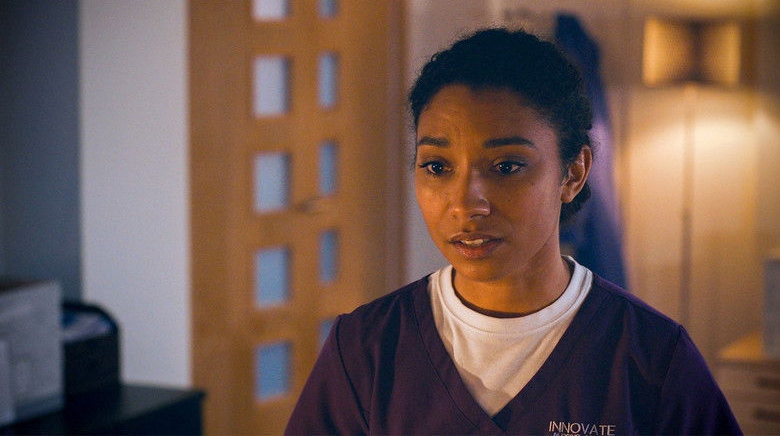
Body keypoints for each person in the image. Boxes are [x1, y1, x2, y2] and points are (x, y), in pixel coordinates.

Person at [285, 28, 741, 435]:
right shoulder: (366, 348)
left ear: (573, 173)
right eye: (437, 166)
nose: (466, 203)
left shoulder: (652, 358)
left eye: (506, 166)